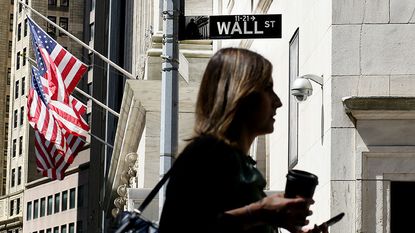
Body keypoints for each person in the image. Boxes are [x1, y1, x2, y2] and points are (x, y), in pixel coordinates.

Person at [158, 48, 328, 233]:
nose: (278, 102)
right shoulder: (206, 154)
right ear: (242, 93)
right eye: (268, 89)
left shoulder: (236, 162)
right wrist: (260, 212)